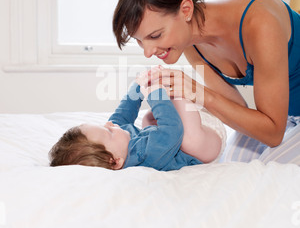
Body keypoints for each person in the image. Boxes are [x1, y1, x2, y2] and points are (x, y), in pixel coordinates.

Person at [112, 0, 300, 164]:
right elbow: (237, 109)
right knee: (231, 166)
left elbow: (272, 134)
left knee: (268, 170)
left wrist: (198, 93)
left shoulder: (261, 23)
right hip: (285, 118)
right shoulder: (191, 43)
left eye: (155, 36)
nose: (147, 52)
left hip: (278, 125)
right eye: (140, 41)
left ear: (186, 10)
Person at [49, 69, 226, 171]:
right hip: (207, 145)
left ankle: (182, 100)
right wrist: (155, 91)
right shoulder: (146, 156)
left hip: (193, 126)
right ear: (115, 161)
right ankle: (193, 100)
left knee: (148, 119)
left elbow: (123, 113)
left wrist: (141, 84)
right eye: (108, 131)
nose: (110, 124)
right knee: (187, 138)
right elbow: (172, 130)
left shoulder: (120, 145)